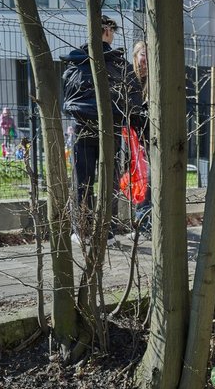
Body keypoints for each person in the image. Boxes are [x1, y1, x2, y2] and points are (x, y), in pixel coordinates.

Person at [61, 14, 129, 246]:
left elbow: (67, 99)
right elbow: (130, 100)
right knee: (108, 182)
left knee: (82, 181)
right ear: (108, 31)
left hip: (81, 129)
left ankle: (80, 230)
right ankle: (106, 232)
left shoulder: (75, 62)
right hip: (111, 132)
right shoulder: (119, 64)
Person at [126, 40, 151, 234]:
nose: (146, 59)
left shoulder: (154, 81)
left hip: (147, 137)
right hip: (129, 136)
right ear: (135, 56)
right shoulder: (128, 77)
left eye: (149, 55)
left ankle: (142, 221)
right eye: (143, 54)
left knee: (146, 178)